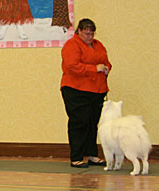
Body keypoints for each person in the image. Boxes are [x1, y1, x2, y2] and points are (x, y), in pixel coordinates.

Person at [60, 18, 110, 168]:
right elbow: (72, 66)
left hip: (96, 90)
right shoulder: (71, 45)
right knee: (79, 123)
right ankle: (76, 157)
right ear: (79, 31)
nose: (89, 36)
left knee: (92, 123)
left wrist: (106, 67)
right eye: (86, 33)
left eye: (92, 33)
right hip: (76, 90)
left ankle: (92, 155)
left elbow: (106, 61)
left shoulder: (98, 44)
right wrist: (94, 69)